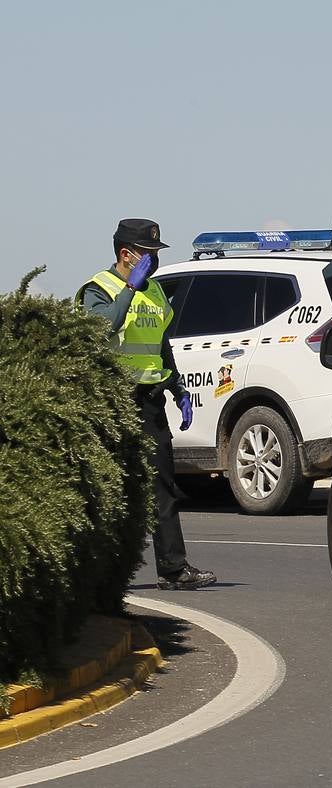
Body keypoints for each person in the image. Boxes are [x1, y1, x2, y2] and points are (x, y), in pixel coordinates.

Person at [77, 219, 216, 590]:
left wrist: (178, 387)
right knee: (110, 489)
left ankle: (173, 569)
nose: (153, 261)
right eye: (148, 254)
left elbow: (161, 345)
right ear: (126, 254)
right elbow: (100, 328)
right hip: (114, 402)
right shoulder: (98, 289)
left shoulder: (155, 292)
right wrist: (128, 288)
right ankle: (99, 575)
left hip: (151, 403)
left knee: (162, 488)